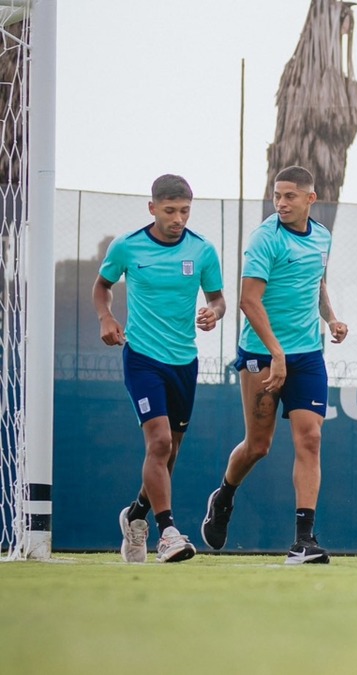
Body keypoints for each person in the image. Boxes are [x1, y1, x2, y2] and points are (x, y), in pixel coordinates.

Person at [200, 165, 349, 564]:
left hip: (307, 355)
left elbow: (314, 282)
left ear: (309, 199)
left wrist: (330, 318)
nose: (281, 203)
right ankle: (225, 496)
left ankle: (304, 540)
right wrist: (277, 355)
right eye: (277, 196)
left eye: (289, 196)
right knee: (259, 446)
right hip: (261, 354)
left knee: (311, 439)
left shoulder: (322, 237)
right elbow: (249, 301)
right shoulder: (265, 238)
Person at [94, 174, 225, 563]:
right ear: (152, 208)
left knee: (170, 452)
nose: (178, 218)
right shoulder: (128, 247)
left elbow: (218, 298)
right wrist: (106, 317)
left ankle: (135, 515)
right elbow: (102, 286)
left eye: (184, 211)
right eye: (170, 211)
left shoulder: (202, 251)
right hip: (143, 358)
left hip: (184, 361)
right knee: (160, 443)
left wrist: (213, 314)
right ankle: (167, 532)